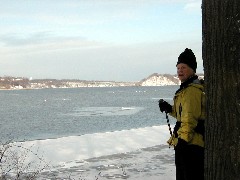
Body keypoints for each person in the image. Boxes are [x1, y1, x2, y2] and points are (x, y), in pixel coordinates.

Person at [158, 48, 205, 180]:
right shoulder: (186, 89)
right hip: (188, 143)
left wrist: (183, 142)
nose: (180, 71)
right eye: (178, 68)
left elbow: (190, 119)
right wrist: (169, 109)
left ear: (192, 69)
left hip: (192, 145)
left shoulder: (191, 91)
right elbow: (183, 114)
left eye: (183, 67)